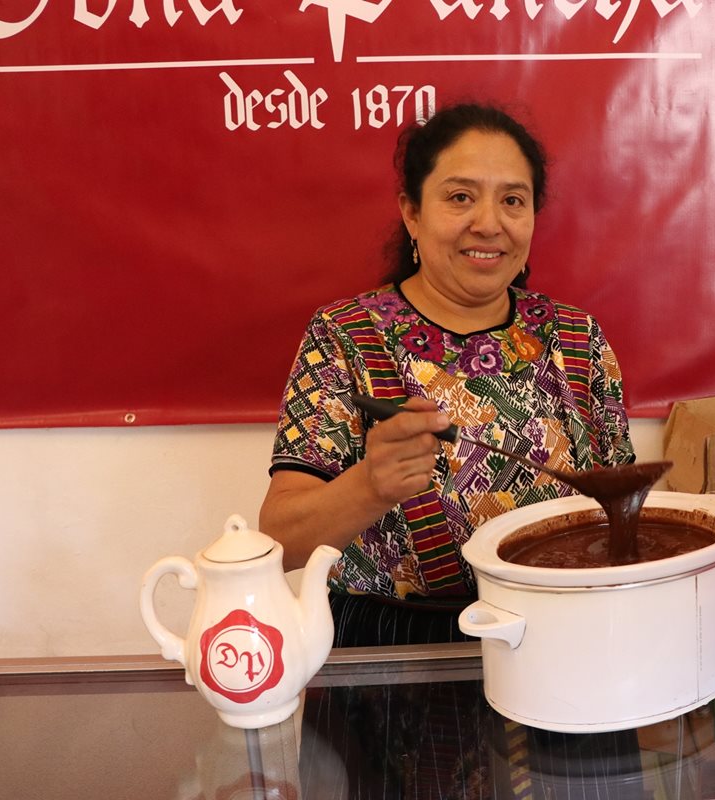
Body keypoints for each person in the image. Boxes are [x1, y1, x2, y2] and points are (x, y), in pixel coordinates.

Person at [260, 102, 635, 648]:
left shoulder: (577, 339)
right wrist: (370, 485)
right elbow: (278, 539)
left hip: (564, 637)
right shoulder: (346, 336)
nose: (489, 223)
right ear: (412, 212)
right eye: (460, 197)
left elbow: (623, 511)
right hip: (394, 652)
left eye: (512, 200)